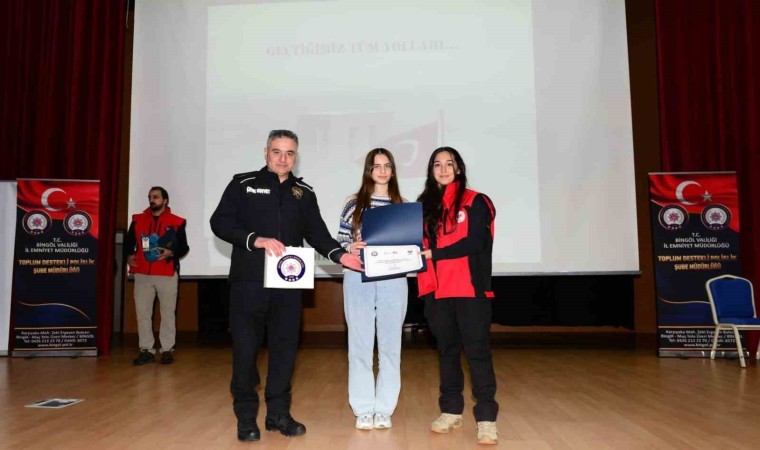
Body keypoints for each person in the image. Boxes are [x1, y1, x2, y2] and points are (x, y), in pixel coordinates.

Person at [210, 129, 363, 443]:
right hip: (248, 283)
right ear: (265, 152)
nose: (283, 158)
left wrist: (342, 255)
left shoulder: (304, 193)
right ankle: (245, 416)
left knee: (284, 351)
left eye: (289, 153)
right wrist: (255, 240)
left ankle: (278, 414)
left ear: (296, 156)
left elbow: (317, 234)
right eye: (277, 151)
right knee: (245, 351)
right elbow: (220, 222)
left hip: (289, 285)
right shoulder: (243, 184)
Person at [417, 147, 499, 445]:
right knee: (447, 351)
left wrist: (433, 253)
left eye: (448, 164)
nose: (443, 169)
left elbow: (476, 242)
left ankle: (487, 417)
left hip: (471, 290)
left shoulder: (477, 201)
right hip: (436, 291)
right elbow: (409, 242)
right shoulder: (424, 206)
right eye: (436, 164)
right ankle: (451, 410)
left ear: (459, 169)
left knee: (477, 352)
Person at [336, 148, 408, 431]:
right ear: (368, 170)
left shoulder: (404, 205)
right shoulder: (353, 202)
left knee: (391, 346)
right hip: (358, 275)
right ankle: (364, 408)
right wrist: (349, 247)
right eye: (376, 166)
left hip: (393, 278)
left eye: (387, 165)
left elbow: (412, 245)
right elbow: (340, 240)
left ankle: (385, 408)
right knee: (360, 345)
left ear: (392, 170)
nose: (382, 171)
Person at [125, 186, 189, 366]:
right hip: (142, 273)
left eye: (155, 197)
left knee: (168, 313)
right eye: (149, 197)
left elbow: (184, 247)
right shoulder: (137, 220)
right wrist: (129, 256)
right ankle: (146, 349)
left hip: (166, 273)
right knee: (143, 313)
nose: (151, 200)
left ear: (165, 200)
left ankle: (167, 349)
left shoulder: (177, 221)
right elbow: (129, 244)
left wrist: (171, 253)